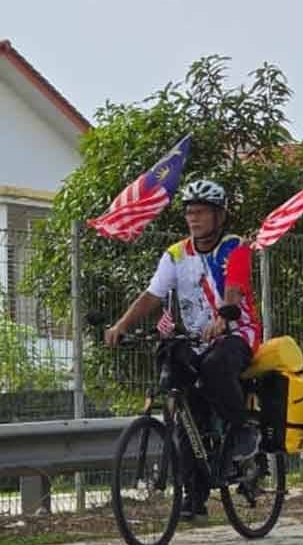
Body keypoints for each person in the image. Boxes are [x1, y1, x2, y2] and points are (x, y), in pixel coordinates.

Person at [104, 179, 263, 522]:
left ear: (219, 216)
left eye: (202, 212)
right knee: (184, 406)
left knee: (216, 366)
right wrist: (121, 326)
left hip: (238, 333)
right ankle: (194, 496)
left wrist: (223, 318)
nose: (194, 218)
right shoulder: (176, 254)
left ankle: (242, 430)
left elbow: (234, 288)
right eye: (190, 212)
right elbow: (152, 295)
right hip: (194, 338)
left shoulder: (235, 248)